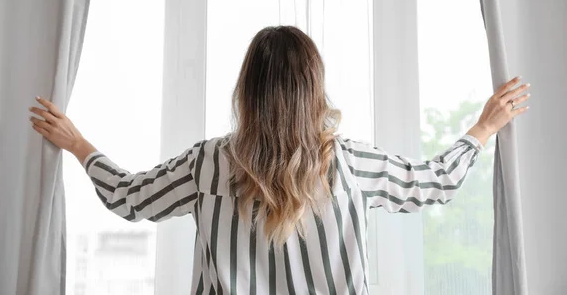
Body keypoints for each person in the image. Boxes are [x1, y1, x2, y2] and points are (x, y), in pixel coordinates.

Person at [29, 26, 530, 295]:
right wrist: (482, 128)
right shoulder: (351, 165)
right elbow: (432, 183)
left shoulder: (207, 165)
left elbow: (128, 198)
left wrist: (77, 143)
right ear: (313, 91)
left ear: (246, 91)